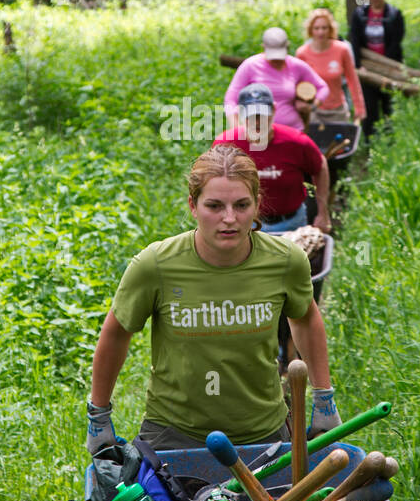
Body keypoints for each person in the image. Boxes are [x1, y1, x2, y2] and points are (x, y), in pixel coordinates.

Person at [86, 144, 342, 452]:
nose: (230, 218)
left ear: (258, 204)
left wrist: (324, 396)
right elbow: (116, 332)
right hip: (174, 434)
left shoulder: (285, 261)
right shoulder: (156, 265)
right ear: (193, 206)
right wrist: (98, 415)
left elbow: (305, 318)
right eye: (215, 206)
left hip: (263, 432)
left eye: (242, 205)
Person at [213, 84, 331, 235]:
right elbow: (211, 183)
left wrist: (323, 212)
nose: (257, 122)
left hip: (291, 224)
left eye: (262, 115)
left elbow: (320, 166)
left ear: (274, 110)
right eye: (250, 115)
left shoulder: (296, 142)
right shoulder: (226, 145)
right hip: (243, 225)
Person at [224, 26, 328, 132]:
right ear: (264, 47)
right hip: (259, 134)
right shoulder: (250, 66)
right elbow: (230, 99)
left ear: (287, 47)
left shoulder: (296, 66)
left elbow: (322, 87)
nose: (276, 60)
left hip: (292, 130)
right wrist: (236, 128)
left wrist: (312, 106)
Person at [349, 0, 405, 138]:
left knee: (389, 106)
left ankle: (390, 141)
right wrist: (359, 66)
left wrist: (385, 66)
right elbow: (355, 40)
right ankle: (370, 142)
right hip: (367, 70)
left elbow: (396, 42)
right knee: (370, 109)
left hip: (389, 68)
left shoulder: (394, 14)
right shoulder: (360, 15)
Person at [295, 8, 366, 128]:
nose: (320, 32)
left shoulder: (342, 49)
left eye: (324, 28)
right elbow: (296, 84)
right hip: (313, 111)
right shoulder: (302, 53)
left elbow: (352, 80)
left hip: (337, 110)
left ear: (331, 29)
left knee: (339, 145)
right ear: (311, 30)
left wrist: (359, 108)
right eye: (316, 28)